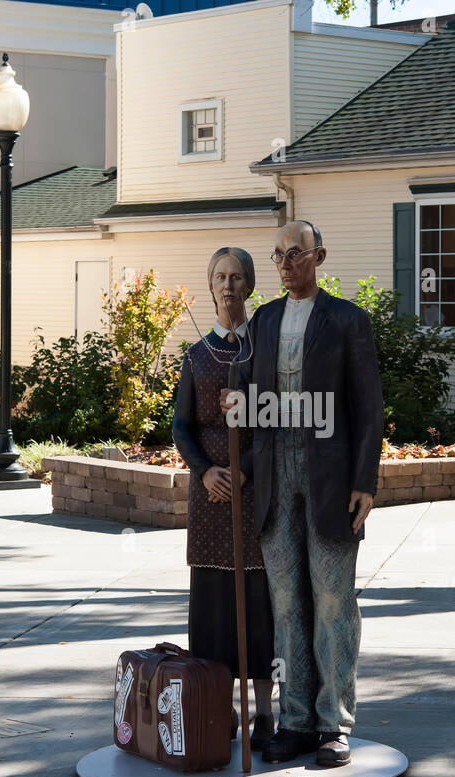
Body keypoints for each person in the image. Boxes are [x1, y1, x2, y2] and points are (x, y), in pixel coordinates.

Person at [221, 220, 384, 766]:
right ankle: (294, 720)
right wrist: (234, 406)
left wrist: (365, 481)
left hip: (331, 477)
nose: (286, 265)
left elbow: (368, 408)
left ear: (319, 255)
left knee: (334, 600)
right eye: (278, 257)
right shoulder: (263, 320)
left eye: (295, 254)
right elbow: (248, 390)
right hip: (274, 476)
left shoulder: (346, 320)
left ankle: (334, 723)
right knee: (287, 604)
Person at [171, 246, 275, 748]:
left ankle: (265, 713)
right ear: (210, 286)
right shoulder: (197, 355)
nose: (228, 285)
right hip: (209, 498)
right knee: (214, 607)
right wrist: (207, 471)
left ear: (249, 285)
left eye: (237, 277)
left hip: (254, 493)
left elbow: (274, 424)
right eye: (220, 277)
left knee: (258, 604)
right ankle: (221, 708)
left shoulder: (265, 352)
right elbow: (181, 425)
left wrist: (243, 472)